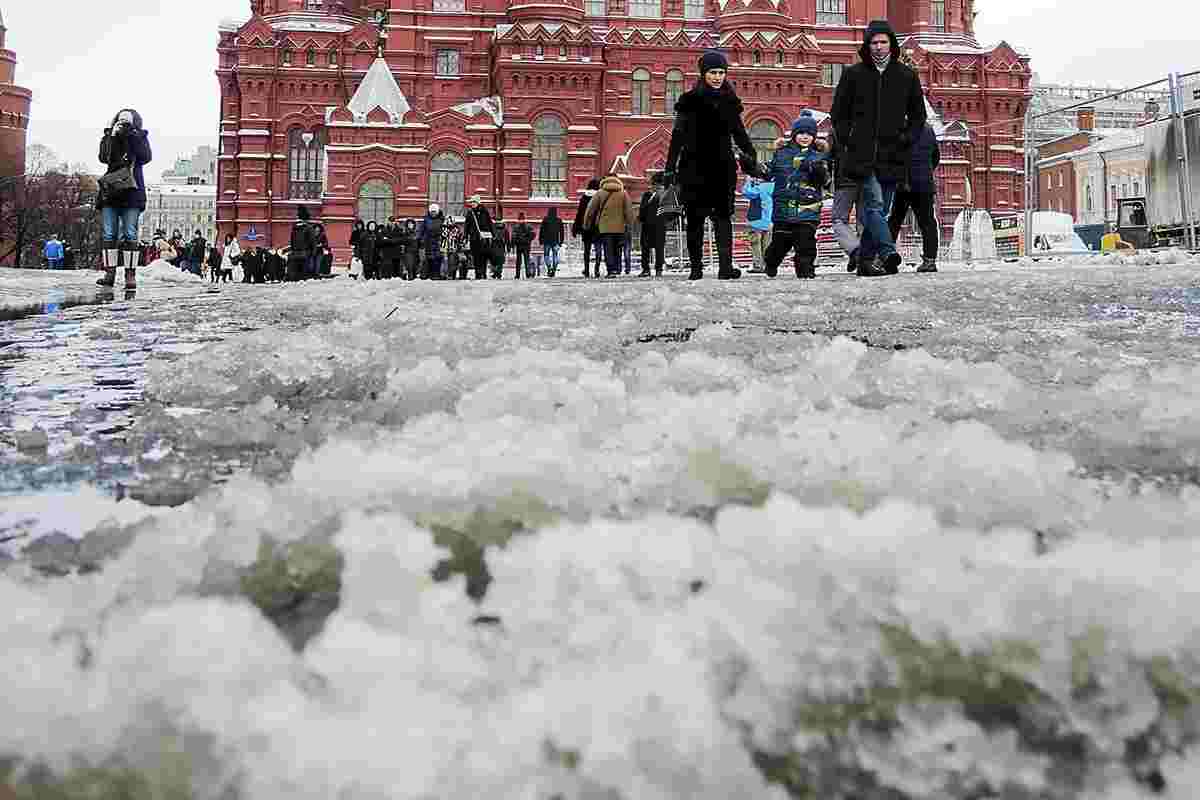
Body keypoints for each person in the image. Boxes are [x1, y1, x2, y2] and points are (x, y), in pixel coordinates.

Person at [830, 19, 927, 277]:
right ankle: (887, 251)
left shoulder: (906, 76)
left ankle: (865, 262)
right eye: (874, 42)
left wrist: (906, 139)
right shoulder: (853, 74)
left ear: (891, 44)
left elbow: (918, 116)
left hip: (892, 153)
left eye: (883, 42)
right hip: (861, 154)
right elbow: (838, 114)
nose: (879, 47)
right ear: (867, 45)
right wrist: (847, 140)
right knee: (874, 205)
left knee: (880, 210)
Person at [663, 50, 760, 280]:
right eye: (713, 72)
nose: (717, 77)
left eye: (721, 73)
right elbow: (677, 136)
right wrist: (670, 168)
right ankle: (696, 268)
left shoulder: (730, 101)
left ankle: (725, 267)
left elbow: (739, 132)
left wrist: (750, 153)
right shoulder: (689, 101)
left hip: (722, 167)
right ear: (703, 73)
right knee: (695, 219)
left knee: (723, 218)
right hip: (693, 167)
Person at [763, 112, 829, 279]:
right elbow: (767, 172)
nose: (805, 137)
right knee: (780, 243)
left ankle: (806, 270)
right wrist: (751, 165)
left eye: (809, 134)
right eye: (801, 133)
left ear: (814, 136)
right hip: (784, 209)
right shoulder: (782, 153)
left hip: (807, 207)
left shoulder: (818, 155)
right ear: (794, 135)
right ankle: (771, 262)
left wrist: (815, 170)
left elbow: (825, 180)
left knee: (806, 243)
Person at [96, 108, 152, 289]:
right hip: (111, 193)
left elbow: (145, 157)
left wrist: (133, 135)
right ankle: (109, 273)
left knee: (130, 234)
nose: (124, 124)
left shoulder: (139, 137)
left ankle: (130, 275)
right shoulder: (109, 136)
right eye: (121, 121)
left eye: (127, 121)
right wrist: (113, 135)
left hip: (132, 192)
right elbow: (104, 157)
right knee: (109, 234)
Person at [888, 122, 941, 273]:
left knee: (894, 221)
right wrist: (926, 171)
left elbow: (892, 155)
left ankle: (886, 257)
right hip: (924, 184)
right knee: (928, 223)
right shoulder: (928, 129)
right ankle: (930, 261)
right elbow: (935, 156)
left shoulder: (897, 128)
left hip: (903, 184)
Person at [584, 174, 636, 278]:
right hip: (619, 227)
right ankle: (616, 268)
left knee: (608, 249)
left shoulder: (600, 193)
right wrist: (630, 224)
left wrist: (586, 224)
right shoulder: (623, 194)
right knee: (617, 249)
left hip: (605, 227)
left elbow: (590, 210)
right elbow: (629, 211)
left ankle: (611, 270)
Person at [741, 172, 774, 273]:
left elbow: (746, 192)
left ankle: (758, 266)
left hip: (756, 220)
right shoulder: (773, 187)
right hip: (769, 220)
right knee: (767, 245)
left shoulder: (760, 188)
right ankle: (768, 265)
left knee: (755, 244)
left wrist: (748, 181)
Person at [572, 178, 603, 278]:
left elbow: (580, 213)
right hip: (598, 226)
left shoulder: (584, 197)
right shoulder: (600, 197)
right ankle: (597, 270)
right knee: (598, 248)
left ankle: (586, 269)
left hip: (586, 227)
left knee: (587, 250)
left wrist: (576, 227)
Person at [637, 177, 665, 277]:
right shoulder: (664, 195)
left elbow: (642, 210)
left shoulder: (648, 195)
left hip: (650, 225)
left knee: (647, 248)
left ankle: (648, 269)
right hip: (658, 225)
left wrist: (640, 218)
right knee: (657, 248)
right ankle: (657, 269)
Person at [464, 195, 495, 280]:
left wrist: (493, 235)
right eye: (471, 202)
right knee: (476, 257)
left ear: (478, 202)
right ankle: (478, 274)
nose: (472, 204)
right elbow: (467, 226)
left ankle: (483, 273)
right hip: (474, 239)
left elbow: (490, 223)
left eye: (473, 202)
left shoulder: (485, 212)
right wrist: (465, 237)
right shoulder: (470, 213)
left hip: (484, 239)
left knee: (484, 257)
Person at [287, 206, 317, 281]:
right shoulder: (309, 227)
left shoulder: (294, 228)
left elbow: (292, 240)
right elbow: (312, 241)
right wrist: (313, 251)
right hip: (305, 252)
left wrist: (293, 250)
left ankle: (295, 277)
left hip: (295, 252)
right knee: (304, 270)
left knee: (296, 269)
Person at [418, 203, 446, 279]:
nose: (433, 213)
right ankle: (428, 274)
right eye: (432, 211)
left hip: (438, 241)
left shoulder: (442, 219)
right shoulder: (426, 219)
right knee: (429, 258)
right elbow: (421, 230)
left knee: (438, 258)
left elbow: (445, 230)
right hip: (428, 241)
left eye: (434, 211)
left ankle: (437, 274)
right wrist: (420, 239)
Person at [539, 207, 564, 277]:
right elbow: (562, 232)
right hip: (555, 241)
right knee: (555, 255)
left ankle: (549, 268)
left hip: (546, 241)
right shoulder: (559, 220)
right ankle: (554, 269)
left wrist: (540, 240)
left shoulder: (545, 220)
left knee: (546, 255)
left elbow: (542, 231)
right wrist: (561, 241)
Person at [511, 213, 535, 279]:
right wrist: (528, 240)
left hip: (519, 245)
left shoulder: (515, 227)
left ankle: (517, 275)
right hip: (526, 245)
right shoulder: (528, 226)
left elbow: (513, 237)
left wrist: (513, 244)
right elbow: (533, 235)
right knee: (526, 260)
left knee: (518, 261)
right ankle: (528, 274)